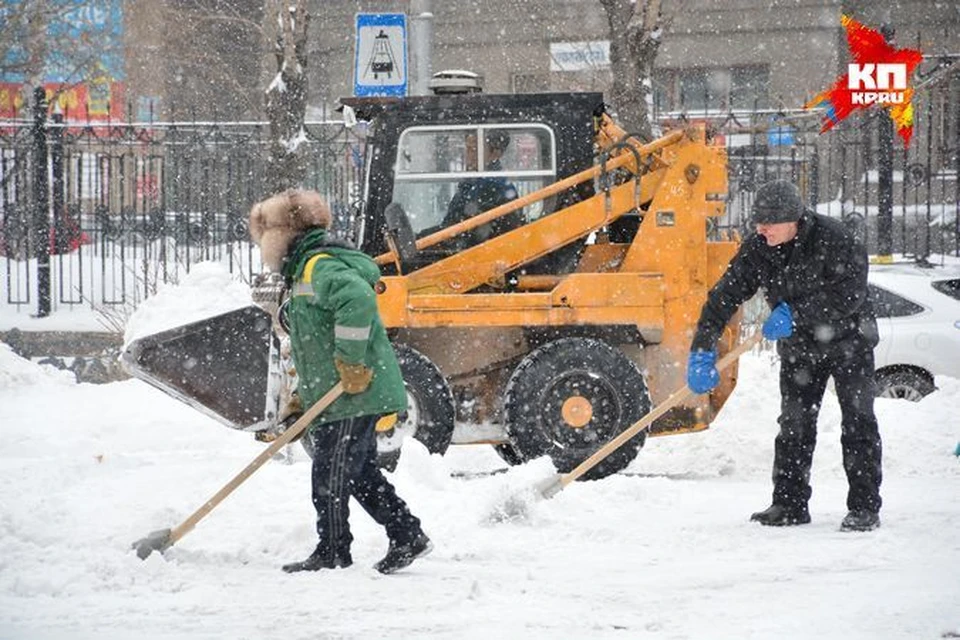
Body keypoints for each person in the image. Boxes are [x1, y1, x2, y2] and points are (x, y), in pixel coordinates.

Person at [248, 188, 432, 573]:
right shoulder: (306, 270)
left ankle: (333, 550)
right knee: (360, 473)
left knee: (329, 474)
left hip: (354, 390)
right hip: (341, 393)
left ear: (282, 236)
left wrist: (351, 363)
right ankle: (407, 533)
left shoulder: (319, 266)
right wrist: (301, 397)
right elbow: (312, 344)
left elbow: (358, 302)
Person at [686, 179, 882, 532]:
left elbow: (850, 295)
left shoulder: (835, 239)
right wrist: (702, 350)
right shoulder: (759, 248)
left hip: (849, 342)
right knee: (794, 423)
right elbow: (723, 298)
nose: (762, 229)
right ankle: (789, 504)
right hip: (800, 348)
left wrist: (796, 312)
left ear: (794, 219)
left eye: (770, 222)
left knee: (858, 422)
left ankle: (864, 507)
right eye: (758, 222)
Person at [442, 129, 522, 244]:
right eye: (467, 149)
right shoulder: (474, 181)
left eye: (474, 150)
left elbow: (462, 229)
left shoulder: (492, 185)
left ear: (496, 153)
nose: (468, 156)